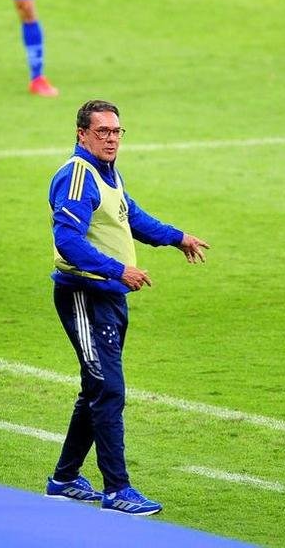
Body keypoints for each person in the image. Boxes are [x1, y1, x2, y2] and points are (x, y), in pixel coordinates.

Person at [45, 100, 209, 516]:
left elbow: (129, 216)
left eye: (116, 131)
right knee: (108, 390)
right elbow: (68, 241)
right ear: (82, 134)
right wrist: (118, 270)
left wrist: (177, 237)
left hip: (109, 297)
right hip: (85, 296)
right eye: (102, 131)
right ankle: (117, 490)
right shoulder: (78, 176)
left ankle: (64, 479)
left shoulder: (107, 173)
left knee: (96, 388)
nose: (112, 139)